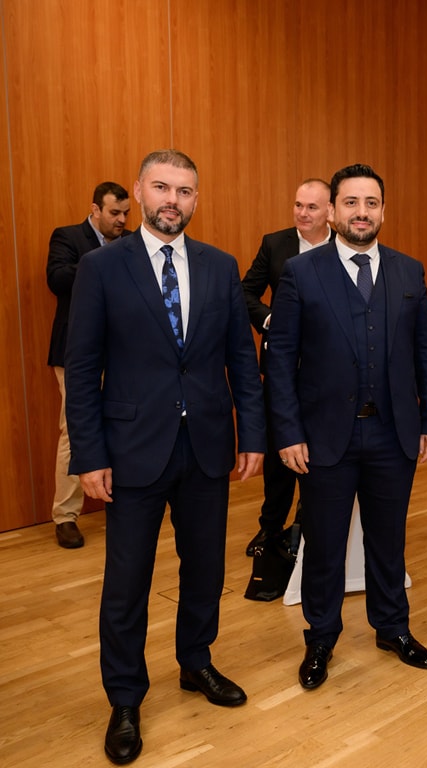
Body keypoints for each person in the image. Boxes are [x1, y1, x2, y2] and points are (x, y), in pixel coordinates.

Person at [65, 149, 265, 764]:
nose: (171, 200)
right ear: (139, 192)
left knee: (205, 569)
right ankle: (125, 697)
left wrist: (253, 436)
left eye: (183, 190)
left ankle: (196, 662)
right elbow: (82, 369)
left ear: (196, 199)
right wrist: (89, 455)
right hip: (131, 451)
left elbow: (241, 360)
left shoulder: (220, 266)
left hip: (206, 446)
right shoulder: (101, 267)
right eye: (161, 187)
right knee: (127, 583)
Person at [267, 163, 427, 690]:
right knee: (324, 544)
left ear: (383, 210)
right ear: (332, 210)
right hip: (324, 438)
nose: (361, 212)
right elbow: (280, 360)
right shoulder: (301, 273)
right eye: (351, 202)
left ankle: (392, 628)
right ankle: (320, 637)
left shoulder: (409, 272)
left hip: (394, 434)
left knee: (388, 539)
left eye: (371, 203)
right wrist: (288, 432)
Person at [241, 178, 333, 556]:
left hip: (329, 373)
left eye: (311, 207)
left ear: (330, 211)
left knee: (323, 453)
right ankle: (270, 528)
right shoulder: (275, 244)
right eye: (298, 205)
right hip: (281, 370)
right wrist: (269, 320)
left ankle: (310, 523)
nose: (302, 213)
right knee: (279, 454)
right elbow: (245, 292)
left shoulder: (345, 248)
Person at [46, 182, 132, 548]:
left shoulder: (133, 242)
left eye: (126, 213)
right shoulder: (68, 237)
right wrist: (104, 261)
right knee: (74, 430)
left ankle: (127, 503)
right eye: (114, 213)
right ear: (95, 210)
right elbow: (56, 278)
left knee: (126, 423)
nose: (121, 220)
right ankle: (66, 515)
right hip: (75, 354)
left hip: (124, 353)